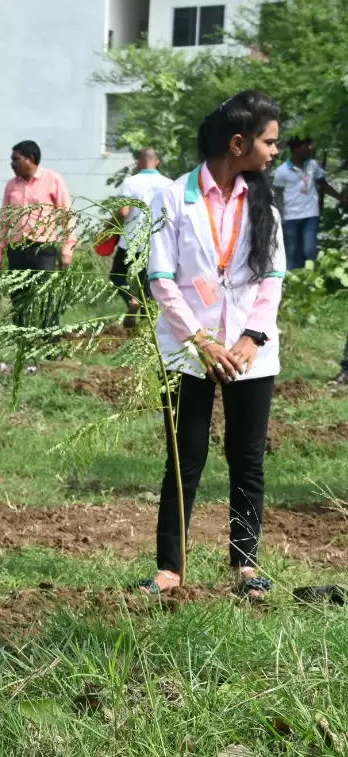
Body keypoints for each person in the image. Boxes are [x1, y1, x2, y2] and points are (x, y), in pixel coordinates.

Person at [139, 90, 284, 602]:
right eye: (269, 142)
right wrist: (198, 339)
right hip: (188, 350)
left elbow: (273, 279)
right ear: (238, 142)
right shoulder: (174, 197)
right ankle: (170, 569)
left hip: (251, 353)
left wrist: (251, 338)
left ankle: (246, 564)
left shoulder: (265, 199)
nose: (274, 152)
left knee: (247, 458)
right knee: (185, 456)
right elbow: (160, 277)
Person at [0, 140, 74, 333]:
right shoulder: (11, 186)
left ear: (30, 159)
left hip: (43, 250)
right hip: (17, 250)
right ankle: (23, 341)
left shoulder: (53, 179)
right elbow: (4, 221)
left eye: (16, 159)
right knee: (19, 298)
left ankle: (50, 344)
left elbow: (66, 215)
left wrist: (67, 249)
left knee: (46, 298)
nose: (11, 163)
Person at [111, 148, 173, 328]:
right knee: (150, 286)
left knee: (117, 276)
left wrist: (109, 226)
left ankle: (131, 300)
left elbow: (123, 211)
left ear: (138, 162)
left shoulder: (130, 182)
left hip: (130, 242)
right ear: (158, 162)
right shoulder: (169, 184)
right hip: (158, 244)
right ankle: (147, 330)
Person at [273, 137, 341, 270]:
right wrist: (280, 214)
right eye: (307, 145)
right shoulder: (282, 171)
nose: (311, 148)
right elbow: (278, 194)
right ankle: (292, 282)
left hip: (310, 215)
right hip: (290, 216)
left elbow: (323, 185)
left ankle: (311, 281)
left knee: (309, 250)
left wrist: (340, 197)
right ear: (297, 149)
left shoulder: (313, 165)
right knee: (292, 250)